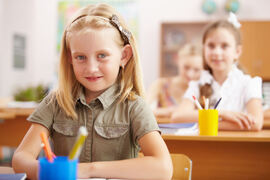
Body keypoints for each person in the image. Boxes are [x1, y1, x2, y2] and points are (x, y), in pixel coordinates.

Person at [12, 3, 173, 180]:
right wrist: (51, 172)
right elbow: (20, 159)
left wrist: (86, 170)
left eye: (102, 56)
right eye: (80, 57)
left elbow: (163, 168)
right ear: (69, 58)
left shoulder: (134, 107)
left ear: (124, 56)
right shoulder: (56, 103)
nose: (91, 68)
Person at [171, 13, 263, 131]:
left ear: (237, 52)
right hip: (204, 146)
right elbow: (177, 117)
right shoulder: (197, 84)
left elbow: (255, 124)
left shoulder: (249, 83)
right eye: (211, 46)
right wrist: (220, 114)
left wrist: (204, 124)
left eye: (224, 46)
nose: (216, 52)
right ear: (204, 49)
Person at [147, 43, 203, 118]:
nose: (190, 74)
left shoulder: (203, 91)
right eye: (186, 67)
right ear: (178, 61)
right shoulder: (160, 84)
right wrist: (170, 111)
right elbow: (143, 111)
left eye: (196, 70)